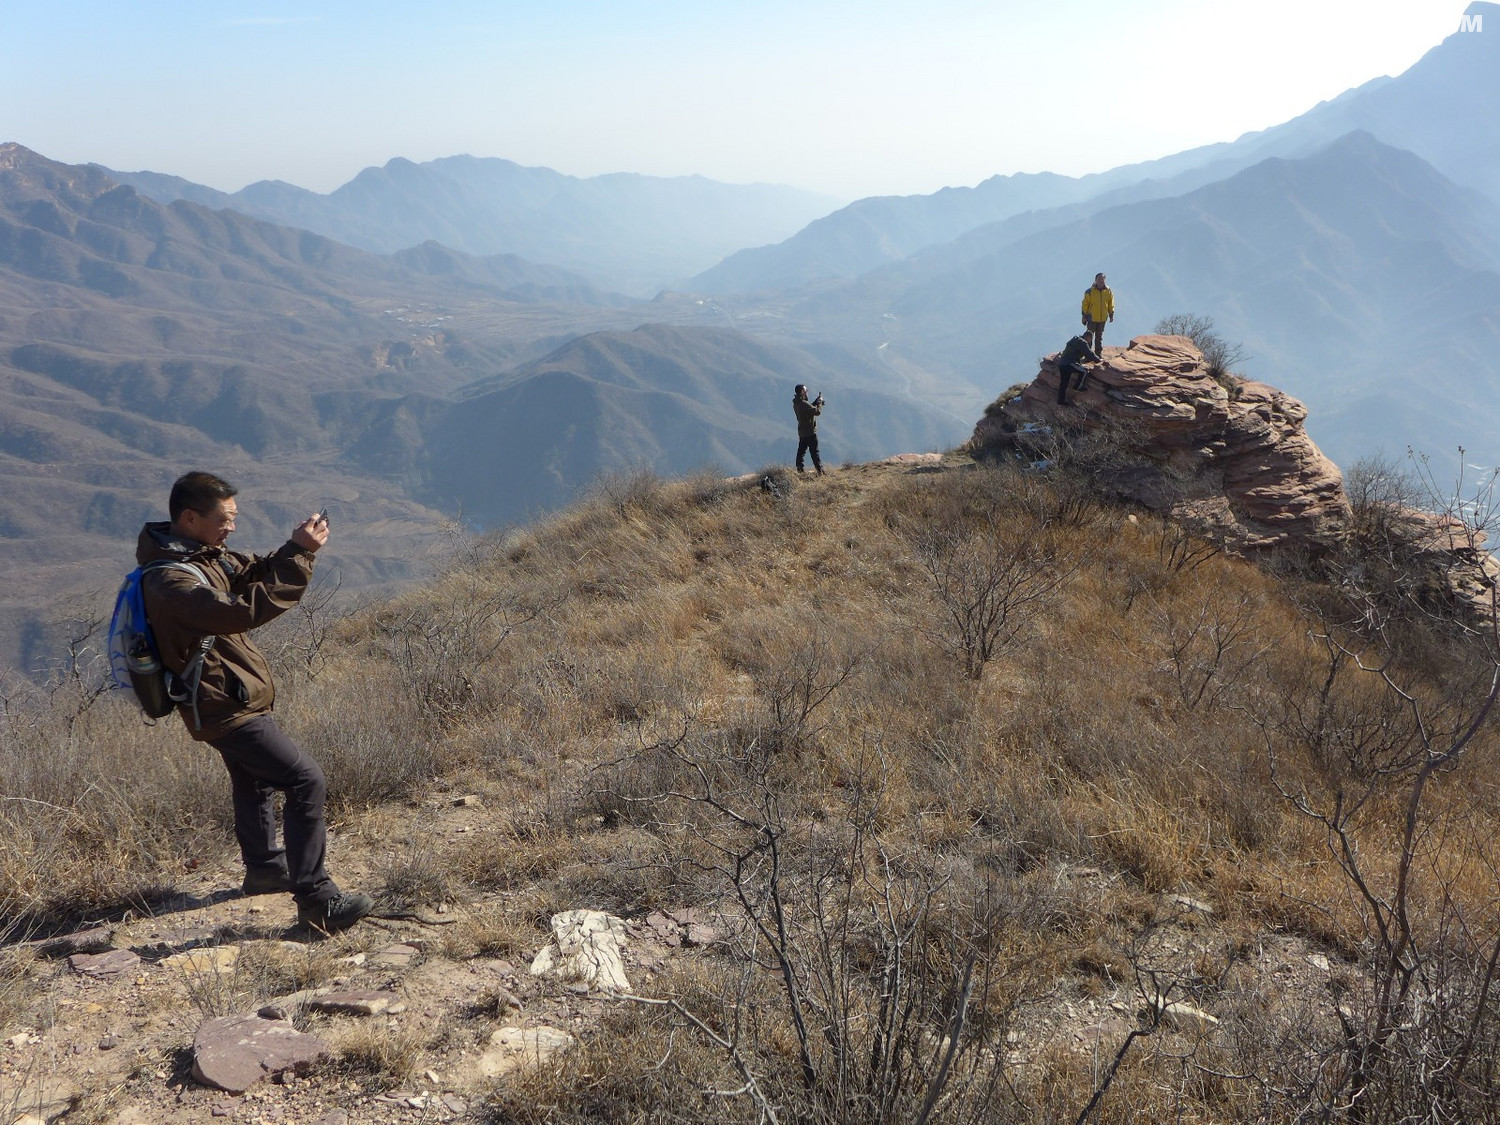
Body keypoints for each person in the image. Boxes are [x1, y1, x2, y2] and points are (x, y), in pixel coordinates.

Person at [136, 471, 373, 934]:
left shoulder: (200, 556)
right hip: (222, 709)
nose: (232, 528)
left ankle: (265, 868)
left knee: (256, 780)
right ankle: (317, 901)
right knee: (305, 779)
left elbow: (251, 570)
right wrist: (302, 557)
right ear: (189, 517)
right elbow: (240, 611)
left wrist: (294, 546)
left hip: (228, 698)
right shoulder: (169, 581)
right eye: (225, 519)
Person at [1055, 332, 1101, 406]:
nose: (1090, 341)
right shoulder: (1082, 342)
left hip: (1062, 363)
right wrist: (1098, 360)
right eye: (1091, 339)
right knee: (1084, 371)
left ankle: (1060, 401)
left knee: (1064, 383)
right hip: (1069, 363)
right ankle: (1078, 387)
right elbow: (1089, 354)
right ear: (1088, 337)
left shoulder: (1075, 339)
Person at [792, 384, 825, 475]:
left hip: (802, 432)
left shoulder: (797, 403)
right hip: (810, 432)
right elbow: (817, 412)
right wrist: (820, 403)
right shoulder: (803, 404)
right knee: (815, 454)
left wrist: (814, 403)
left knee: (801, 453)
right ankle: (820, 472)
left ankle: (800, 470)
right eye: (805, 391)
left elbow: (807, 409)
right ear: (802, 392)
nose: (807, 392)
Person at [1081, 272, 1115, 355]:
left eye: (1103, 279)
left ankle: (1098, 354)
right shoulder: (1089, 292)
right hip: (1092, 318)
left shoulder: (1108, 291)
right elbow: (1085, 304)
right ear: (1095, 280)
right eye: (1099, 279)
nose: (1101, 281)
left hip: (1102, 318)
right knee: (1089, 337)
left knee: (1099, 337)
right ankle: (1088, 355)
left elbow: (1111, 303)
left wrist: (1111, 314)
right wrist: (1084, 316)